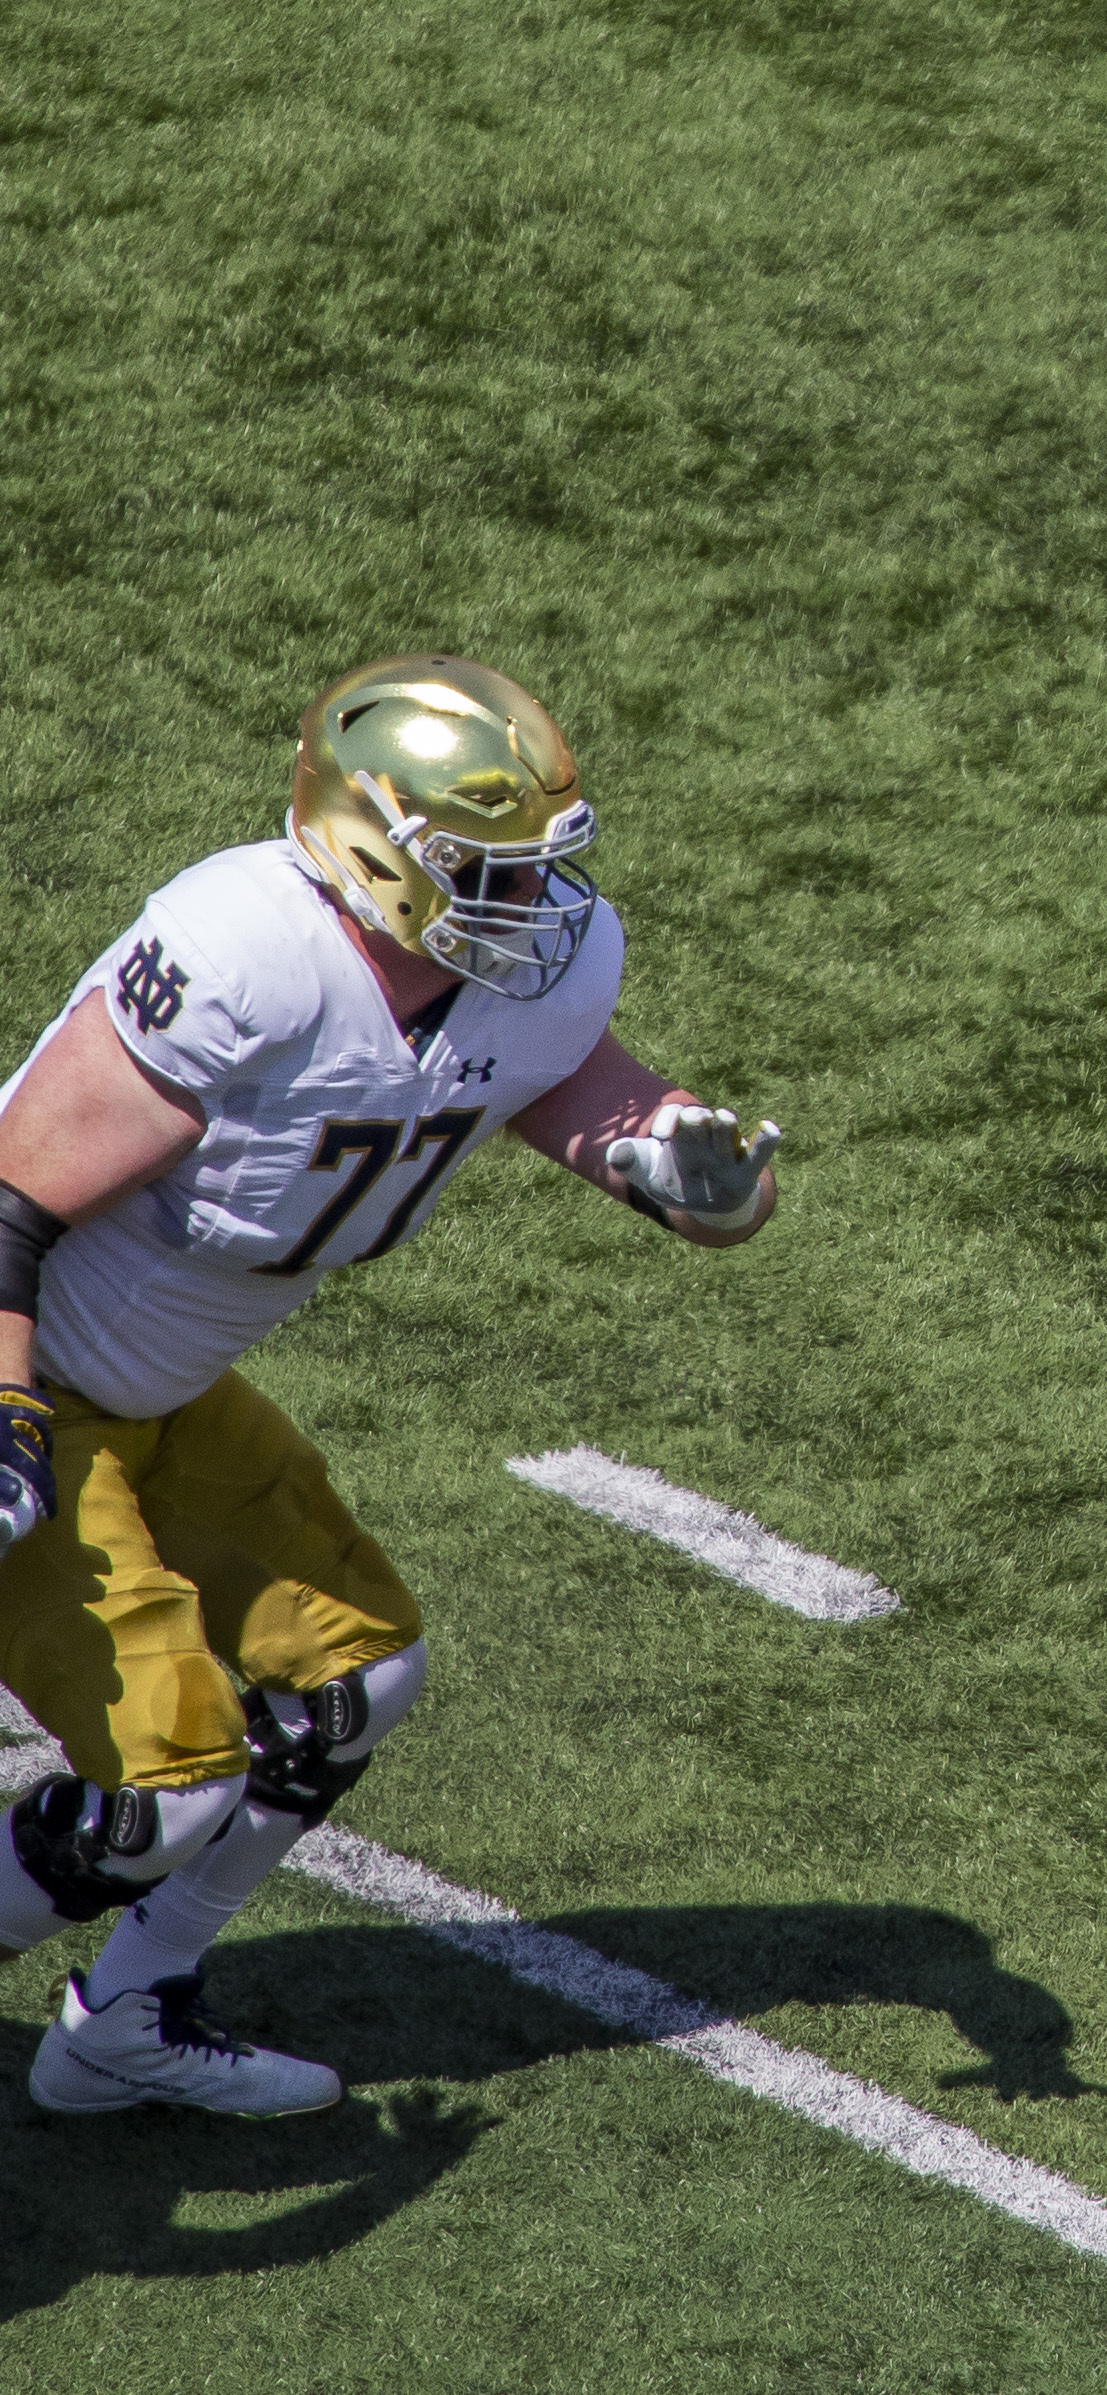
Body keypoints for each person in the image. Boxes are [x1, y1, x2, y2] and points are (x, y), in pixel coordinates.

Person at [0, 655, 782, 2114]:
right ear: (372, 851)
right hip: (28, 1364)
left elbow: (565, 1081)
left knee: (357, 1674)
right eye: (486, 875)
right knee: (161, 1790)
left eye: (535, 872)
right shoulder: (247, 948)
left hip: (163, 1387)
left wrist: (685, 1165)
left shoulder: (528, 967)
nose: (531, 911)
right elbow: (8, 1199)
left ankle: (130, 2013)